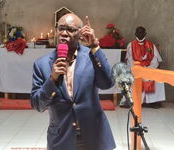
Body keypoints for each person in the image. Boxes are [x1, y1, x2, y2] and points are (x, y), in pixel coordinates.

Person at [30, 13, 116, 150]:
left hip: (94, 134)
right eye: (61, 28)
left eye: (70, 30)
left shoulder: (91, 57)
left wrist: (95, 46)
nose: (64, 33)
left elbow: (107, 83)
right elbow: (37, 105)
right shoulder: (42, 64)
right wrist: (52, 79)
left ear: (80, 33)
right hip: (61, 137)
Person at [120, 26, 166, 109]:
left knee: (158, 80)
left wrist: (147, 68)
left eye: (142, 32)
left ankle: (152, 102)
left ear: (145, 33)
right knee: (129, 78)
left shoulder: (151, 45)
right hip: (135, 69)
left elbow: (155, 60)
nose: (140, 34)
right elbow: (129, 60)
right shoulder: (131, 45)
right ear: (135, 33)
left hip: (148, 68)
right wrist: (137, 69)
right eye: (138, 32)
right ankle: (130, 101)